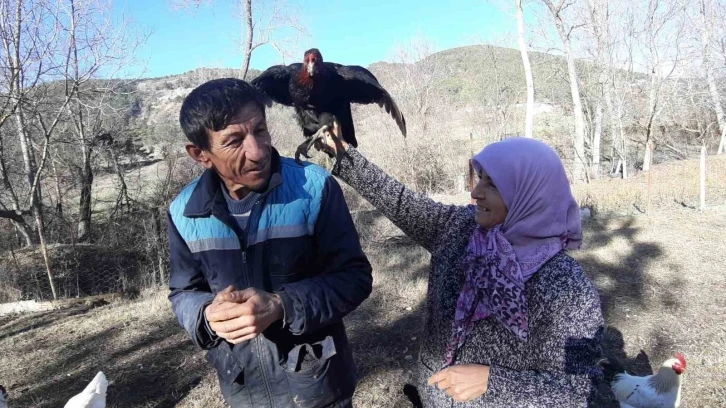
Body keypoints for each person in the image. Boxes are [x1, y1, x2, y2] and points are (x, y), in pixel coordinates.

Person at [318, 127, 605, 407]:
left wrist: (493, 383)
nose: (476, 192)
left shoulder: (565, 286)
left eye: (493, 184)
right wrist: (343, 153)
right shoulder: (458, 228)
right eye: (480, 178)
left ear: (530, 194)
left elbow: (578, 390)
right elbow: (402, 203)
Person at [166, 78, 373, 408]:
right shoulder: (184, 212)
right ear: (200, 154)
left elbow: (354, 277)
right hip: (244, 390)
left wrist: (282, 305)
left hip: (318, 386)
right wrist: (206, 315)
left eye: (260, 130)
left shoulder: (314, 188)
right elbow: (183, 292)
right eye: (234, 141)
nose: (257, 151)